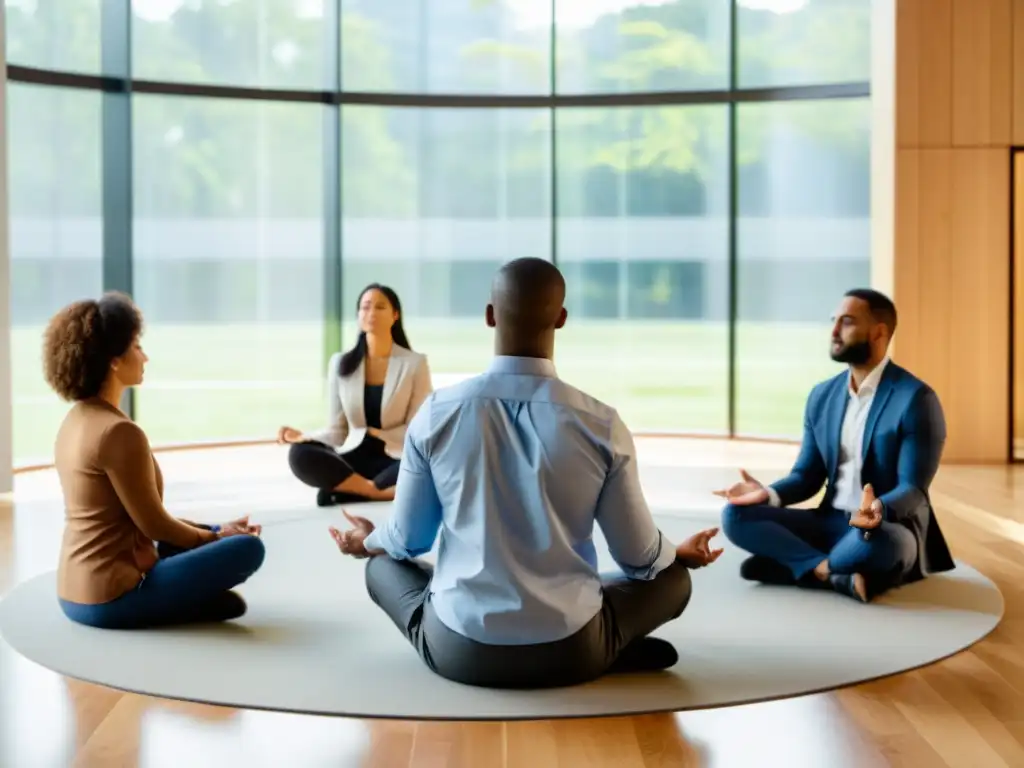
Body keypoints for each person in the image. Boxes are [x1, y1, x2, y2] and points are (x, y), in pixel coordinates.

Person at [328, 257, 722, 690]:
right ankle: (606, 649)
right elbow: (637, 557)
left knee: (381, 565)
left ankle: (593, 649)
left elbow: (408, 539)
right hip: (571, 647)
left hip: (459, 650)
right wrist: (671, 555)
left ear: (490, 316)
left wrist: (364, 541)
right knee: (673, 580)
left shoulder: (437, 413)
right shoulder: (602, 424)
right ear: (562, 319)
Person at [43, 291, 266, 630]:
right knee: (248, 549)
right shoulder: (118, 432)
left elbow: (135, 519)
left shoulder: (75, 421)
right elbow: (154, 526)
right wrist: (218, 540)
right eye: (136, 347)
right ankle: (179, 603)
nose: (144, 357)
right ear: (114, 360)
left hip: (71, 592)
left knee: (205, 541)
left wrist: (217, 529)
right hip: (110, 598)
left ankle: (185, 599)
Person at [718, 288, 954, 603]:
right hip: (827, 522)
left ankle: (795, 565)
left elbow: (912, 489)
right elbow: (806, 476)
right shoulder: (822, 396)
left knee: (874, 546)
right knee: (735, 517)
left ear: (878, 332)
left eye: (847, 322)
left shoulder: (916, 399)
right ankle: (830, 572)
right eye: (834, 321)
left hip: (883, 529)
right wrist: (768, 494)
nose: (833, 331)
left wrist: (877, 510)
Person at [278, 284, 433, 507]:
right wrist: (305, 436)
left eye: (380, 307)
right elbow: (338, 431)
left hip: (394, 456)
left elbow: (417, 428)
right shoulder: (340, 363)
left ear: (395, 315)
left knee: (428, 466)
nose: (371, 313)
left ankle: (348, 490)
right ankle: (373, 492)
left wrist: (375, 432)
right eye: (365, 307)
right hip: (352, 454)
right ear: (358, 315)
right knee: (300, 454)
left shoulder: (415, 363)